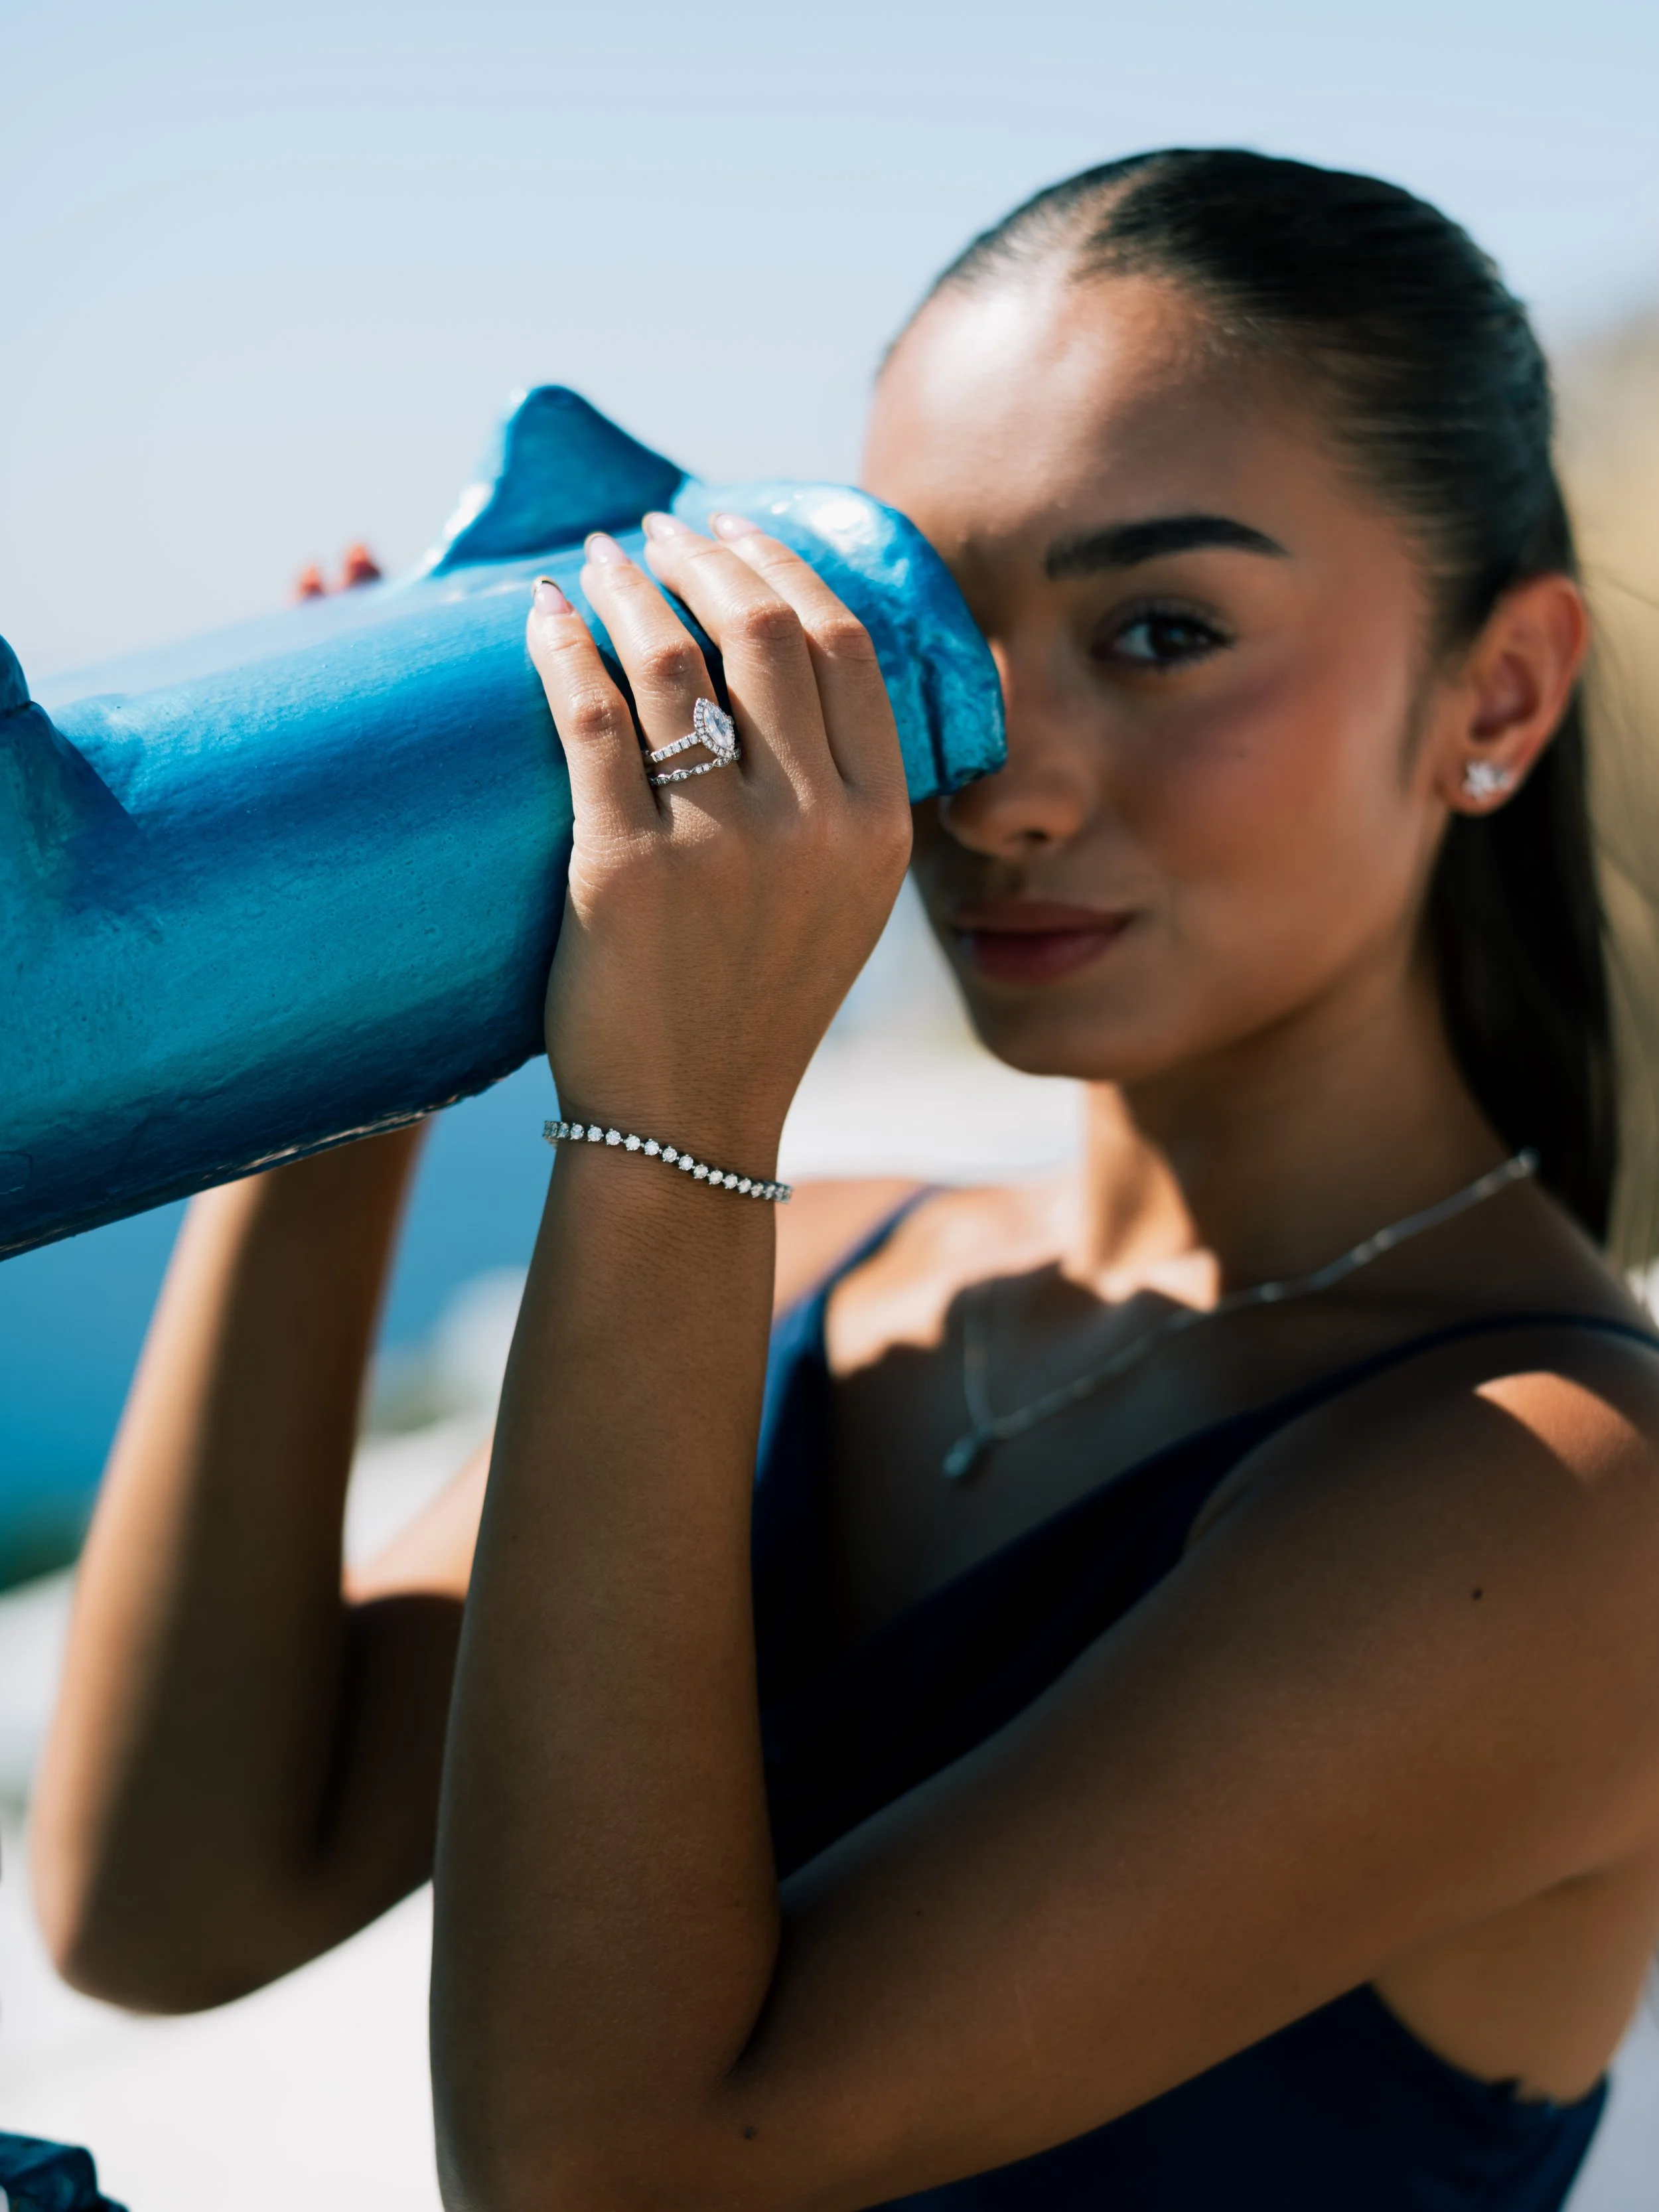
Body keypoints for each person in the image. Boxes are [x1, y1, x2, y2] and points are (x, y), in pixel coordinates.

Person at [33, 151, 1659, 2209]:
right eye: (932, 638)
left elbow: (598, 2168)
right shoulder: (829, 1262)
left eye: (1161, 629)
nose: (1001, 773)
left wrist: (680, 1120)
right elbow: (174, 1895)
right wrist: (338, 953)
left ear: (1494, 691)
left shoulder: (1568, 1501)